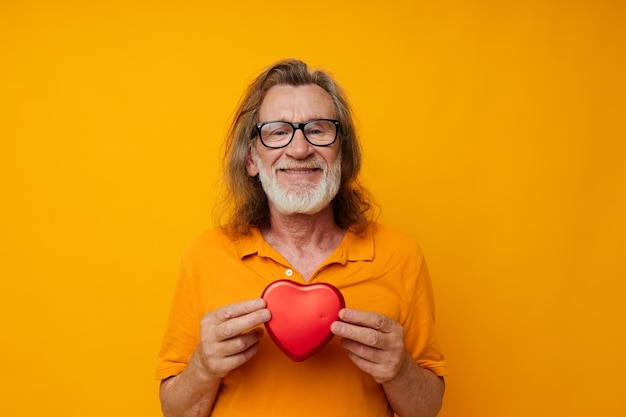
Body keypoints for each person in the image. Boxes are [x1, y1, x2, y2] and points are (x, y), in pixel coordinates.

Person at [156, 58, 447, 417]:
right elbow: (176, 412)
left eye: (319, 130)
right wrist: (203, 366)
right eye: (278, 132)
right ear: (251, 157)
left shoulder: (400, 255)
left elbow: (427, 409)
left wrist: (400, 369)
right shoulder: (204, 256)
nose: (299, 149)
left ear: (342, 153)